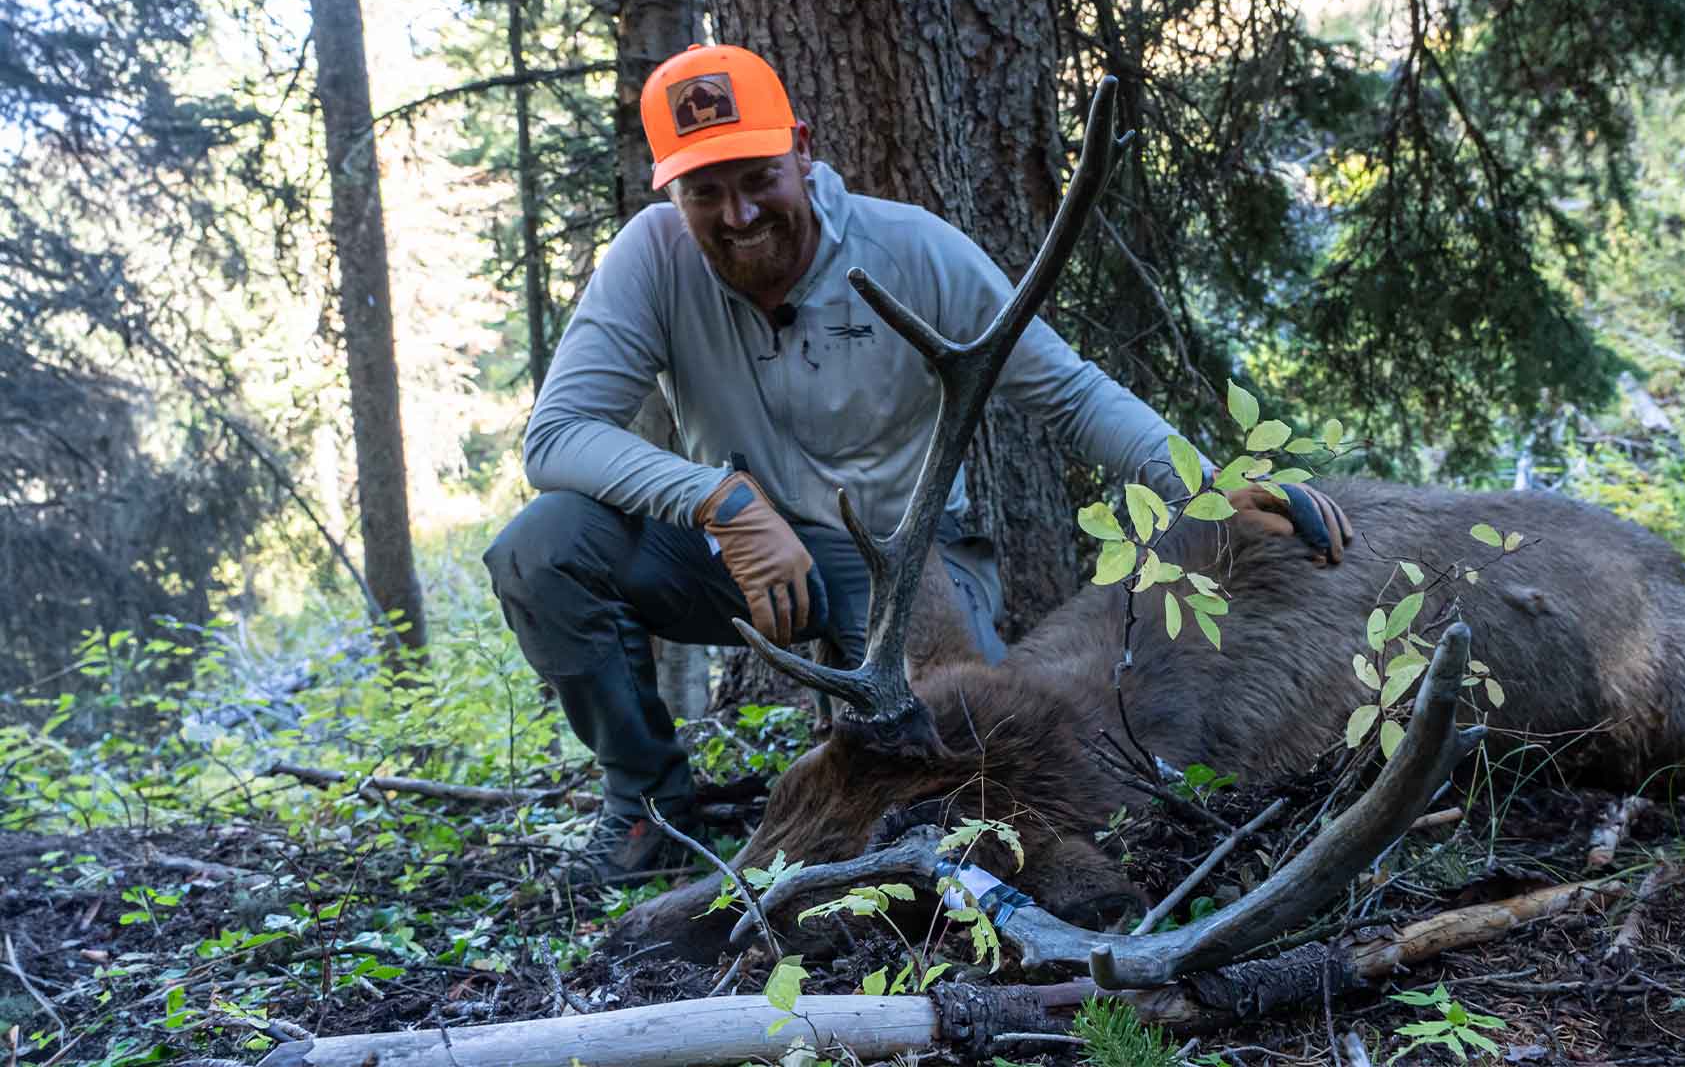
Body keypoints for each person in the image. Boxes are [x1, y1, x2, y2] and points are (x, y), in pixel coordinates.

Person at [483, 43, 1352, 884]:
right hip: (737, 557)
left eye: (758, 179)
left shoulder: (913, 252)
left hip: (908, 571)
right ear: (670, 192)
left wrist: (1204, 489)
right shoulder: (651, 258)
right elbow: (557, 436)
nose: (739, 214)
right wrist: (721, 500)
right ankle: (647, 810)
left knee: (961, 763)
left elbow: (1072, 393)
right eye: (706, 192)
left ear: (804, 149)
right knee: (543, 548)